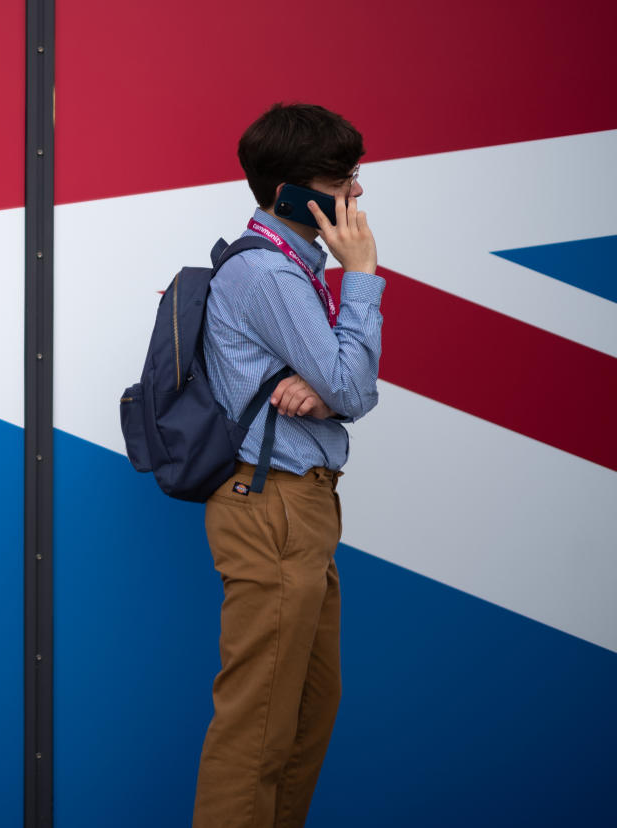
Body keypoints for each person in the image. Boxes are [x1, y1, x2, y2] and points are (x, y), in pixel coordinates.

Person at [192, 103, 384, 828]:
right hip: (270, 505)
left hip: (300, 505)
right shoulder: (271, 274)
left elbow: (341, 384)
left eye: (354, 174)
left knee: (306, 708)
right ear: (286, 196)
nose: (355, 193)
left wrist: (332, 384)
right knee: (259, 723)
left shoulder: (293, 271)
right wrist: (361, 278)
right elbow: (355, 387)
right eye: (339, 179)